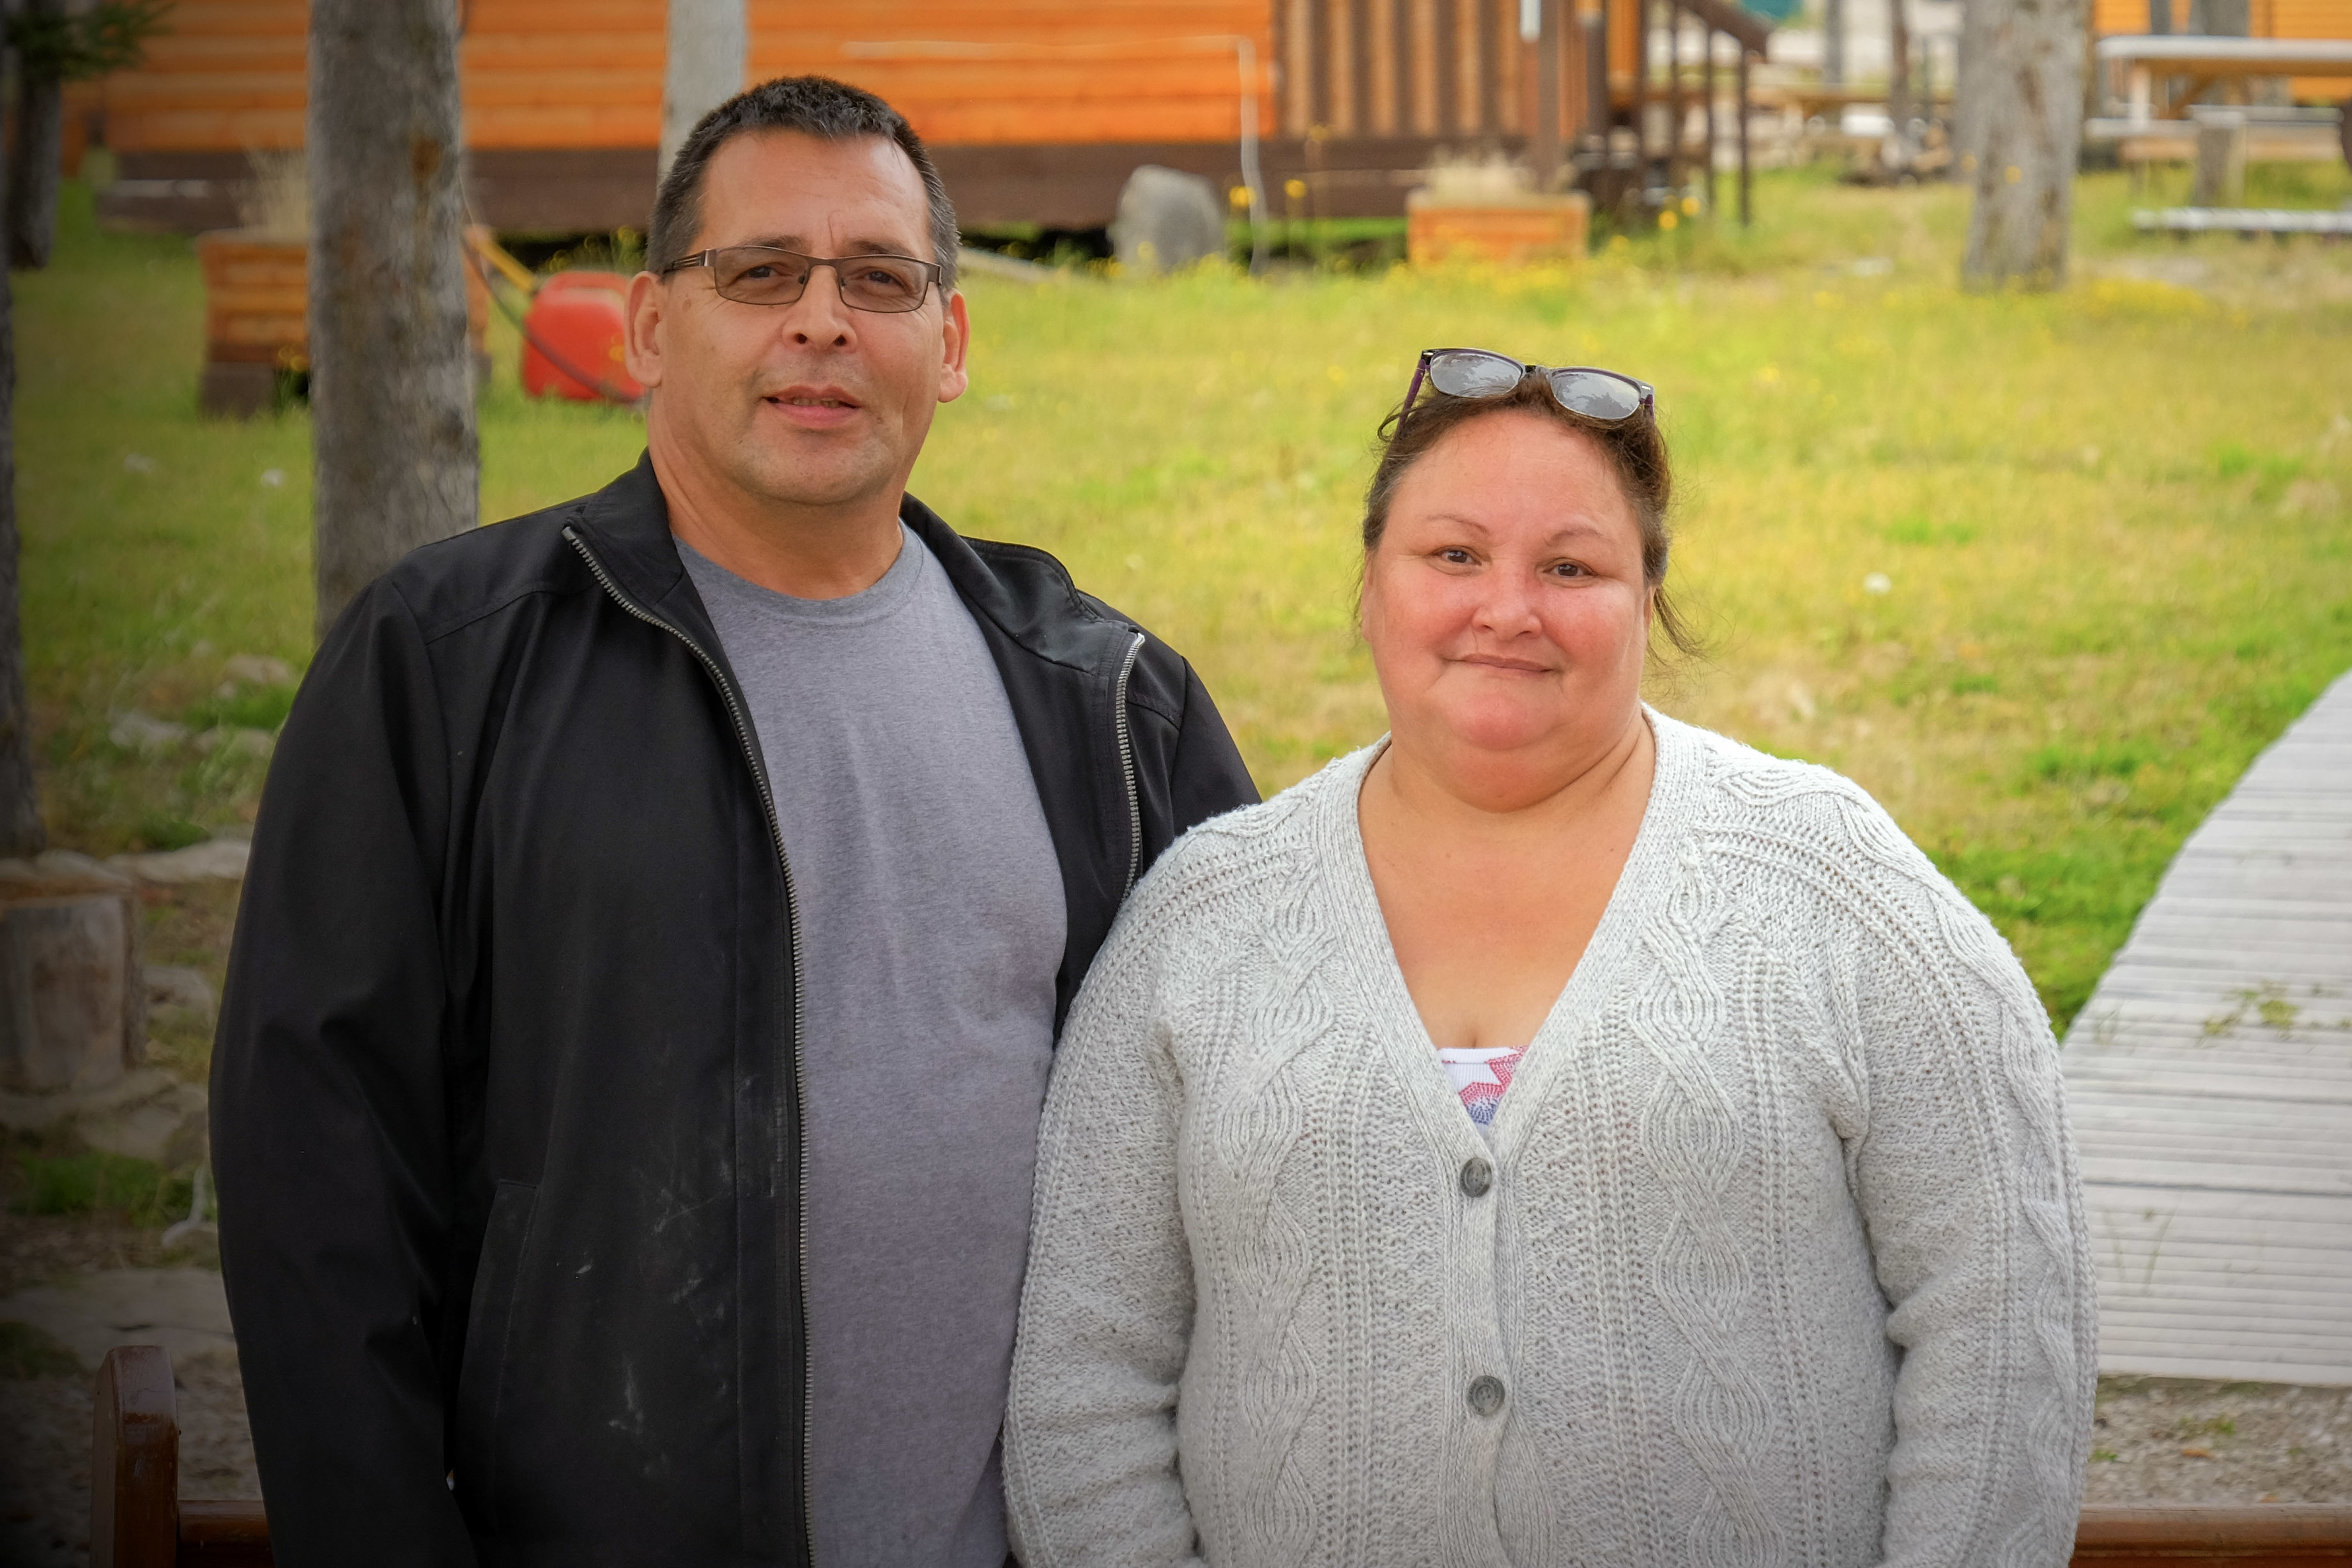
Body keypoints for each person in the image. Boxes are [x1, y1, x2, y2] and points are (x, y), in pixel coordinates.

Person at [211, 76, 1256, 1567]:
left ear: (945, 343)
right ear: (647, 327)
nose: (821, 321)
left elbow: (1253, 1131)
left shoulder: (1108, 704)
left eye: (879, 280)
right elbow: (316, 1191)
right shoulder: (444, 668)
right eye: (760, 273)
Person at [1003, 349, 2096, 1567]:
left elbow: (2002, 1320)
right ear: (1370, 582)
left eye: (1569, 566)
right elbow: (1083, 1384)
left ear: (1647, 599)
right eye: (1454, 554)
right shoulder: (1201, 920)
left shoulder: (1837, 890)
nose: (1506, 608)